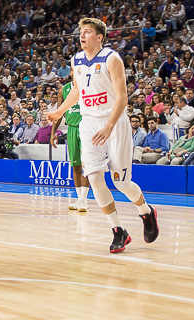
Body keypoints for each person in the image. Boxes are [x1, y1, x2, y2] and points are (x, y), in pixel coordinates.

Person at [47, 17, 158, 254]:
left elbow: (122, 97)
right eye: (80, 32)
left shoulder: (112, 58)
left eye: (87, 32)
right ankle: (118, 230)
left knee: (121, 183)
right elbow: (78, 90)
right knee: (95, 177)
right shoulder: (76, 59)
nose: (82, 36)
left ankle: (146, 212)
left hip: (114, 123)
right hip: (89, 124)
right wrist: (59, 111)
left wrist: (109, 125)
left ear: (99, 37)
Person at [50, 80, 90, 212]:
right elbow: (59, 113)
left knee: (86, 165)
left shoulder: (88, 85)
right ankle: (79, 199)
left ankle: (84, 200)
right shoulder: (63, 90)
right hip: (71, 128)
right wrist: (53, 132)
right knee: (75, 165)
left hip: (86, 128)